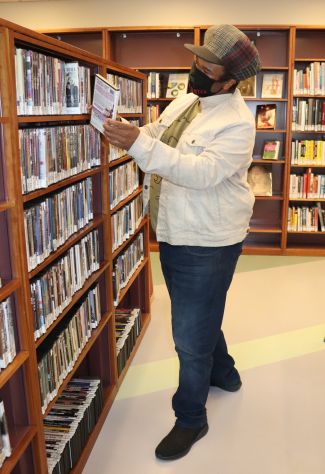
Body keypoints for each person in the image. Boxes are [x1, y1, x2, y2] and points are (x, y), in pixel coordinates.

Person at [103, 24, 261, 461]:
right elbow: (163, 131)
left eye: (205, 64)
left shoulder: (236, 122)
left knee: (190, 334)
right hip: (174, 230)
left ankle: (191, 417)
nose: (195, 67)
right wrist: (135, 133)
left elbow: (199, 173)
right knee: (200, 311)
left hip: (206, 240)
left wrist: (137, 145)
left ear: (228, 79)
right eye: (197, 58)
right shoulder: (191, 98)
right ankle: (224, 373)